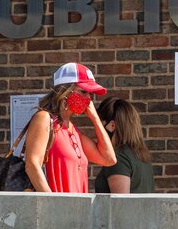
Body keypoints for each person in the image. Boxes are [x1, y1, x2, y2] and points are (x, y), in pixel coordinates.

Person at [24, 62, 116, 192]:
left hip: (77, 209)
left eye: (91, 94)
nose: (88, 99)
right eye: (83, 91)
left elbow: (109, 159)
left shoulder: (73, 130)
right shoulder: (44, 119)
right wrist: (53, 203)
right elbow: (32, 165)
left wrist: (95, 119)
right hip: (57, 208)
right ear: (65, 91)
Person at [95, 97, 154, 193]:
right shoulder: (140, 154)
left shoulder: (117, 158)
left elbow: (120, 204)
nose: (97, 131)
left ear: (112, 126)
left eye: (100, 126)